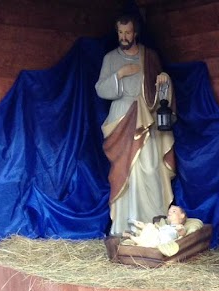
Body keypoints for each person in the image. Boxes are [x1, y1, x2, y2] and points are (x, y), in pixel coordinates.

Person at [95, 14, 175, 236]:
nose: (124, 37)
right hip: (121, 118)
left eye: (128, 32)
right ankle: (125, 225)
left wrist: (164, 81)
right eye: (120, 33)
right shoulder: (110, 58)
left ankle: (153, 223)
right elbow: (100, 89)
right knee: (125, 172)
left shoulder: (149, 57)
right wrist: (119, 75)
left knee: (150, 167)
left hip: (146, 116)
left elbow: (159, 93)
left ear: (135, 32)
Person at [124, 204, 188, 247]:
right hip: (155, 238)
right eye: (169, 212)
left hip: (160, 241)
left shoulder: (179, 227)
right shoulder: (166, 226)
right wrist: (144, 227)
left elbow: (182, 233)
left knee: (150, 226)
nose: (170, 213)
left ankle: (134, 238)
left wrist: (180, 229)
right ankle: (135, 238)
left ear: (182, 215)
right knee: (149, 226)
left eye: (174, 211)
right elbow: (156, 231)